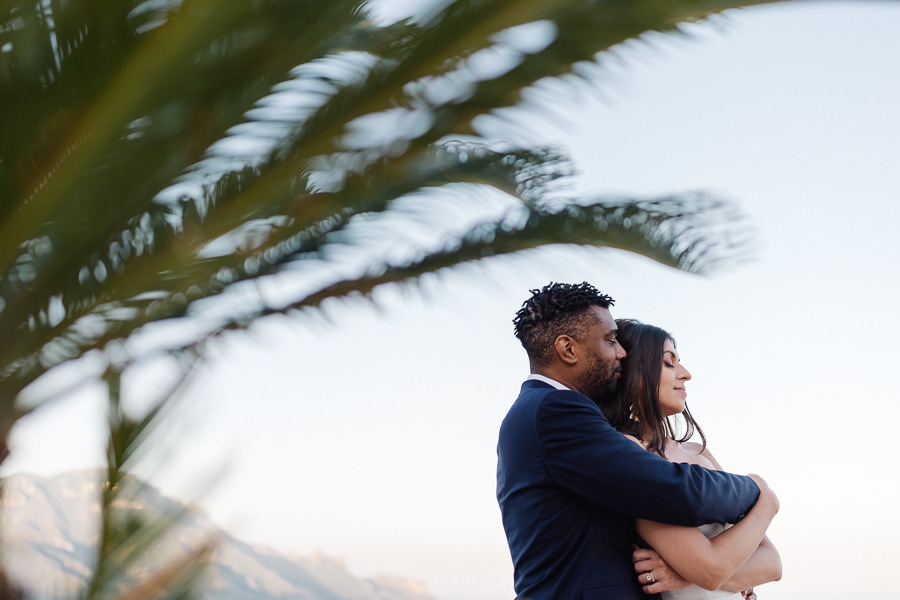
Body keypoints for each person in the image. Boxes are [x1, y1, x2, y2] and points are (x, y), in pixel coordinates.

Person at [497, 282, 766, 600]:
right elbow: (671, 488)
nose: (620, 353)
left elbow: (769, 564)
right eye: (610, 341)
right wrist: (759, 492)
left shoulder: (542, 410)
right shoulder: (555, 410)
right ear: (568, 349)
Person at [600, 319, 781, 599]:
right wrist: (768, 500)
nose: (686, 374)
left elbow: (772, 563)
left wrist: (682, 576)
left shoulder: (698, 452)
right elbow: (711, 570)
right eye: (669, 362)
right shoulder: (631, 455)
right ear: (636, 374)